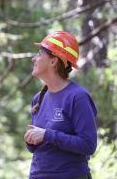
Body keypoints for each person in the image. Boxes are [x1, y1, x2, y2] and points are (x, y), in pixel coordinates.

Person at [24, 31, 97, 179]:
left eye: (39, 54)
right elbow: (36, 148)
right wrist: (31, 140)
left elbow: (88, 145)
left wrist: (46, 134)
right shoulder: (38, 98)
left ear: (53, 61)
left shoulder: (78, 97)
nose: (34, 59)